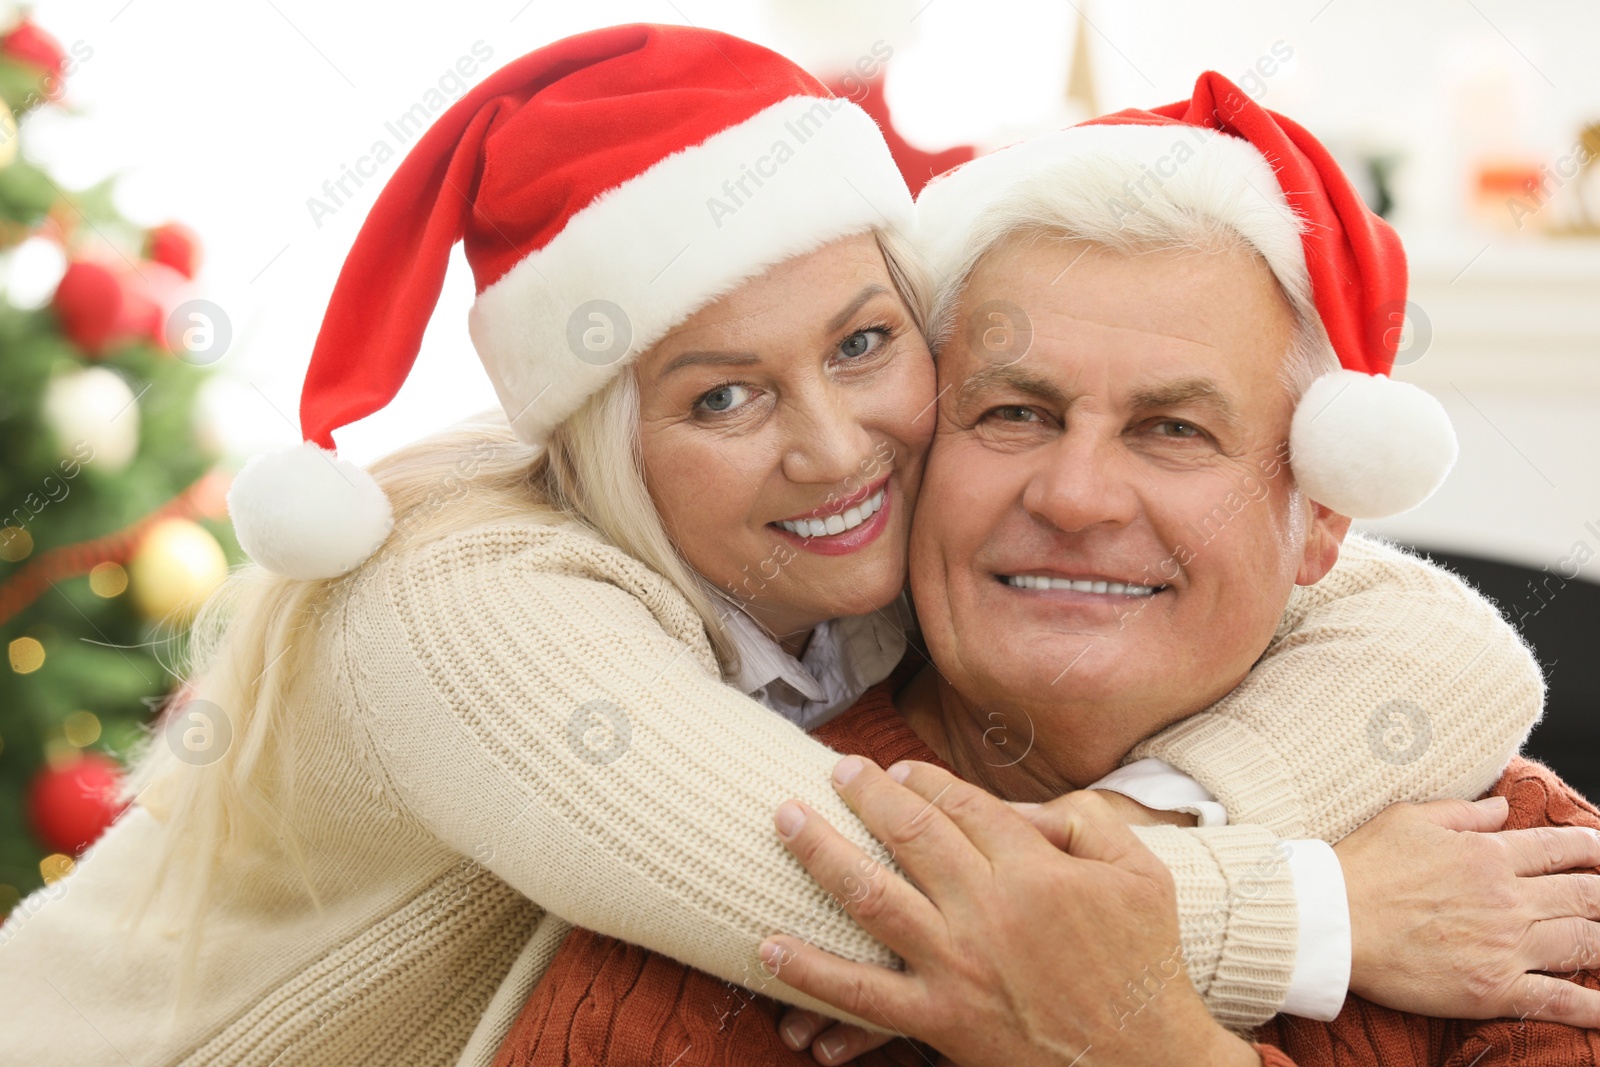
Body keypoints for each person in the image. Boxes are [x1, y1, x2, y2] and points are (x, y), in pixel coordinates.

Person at [0, 26, 1553, 1066]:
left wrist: (1156, 826)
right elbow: (854, 907)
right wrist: (1320, 906)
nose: (832, 444)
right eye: (722, 392)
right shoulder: (465, 591)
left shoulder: (858, 577)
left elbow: (1444, 638)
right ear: (607, 428)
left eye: (867, 342)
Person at [490, 73, 1600, 1066]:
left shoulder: (1520, 884)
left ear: (1318, 522)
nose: (1074, 497)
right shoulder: (724, 885)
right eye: (1015, 412)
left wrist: (1138, 1038)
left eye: (1171, 429)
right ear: (914, 464)